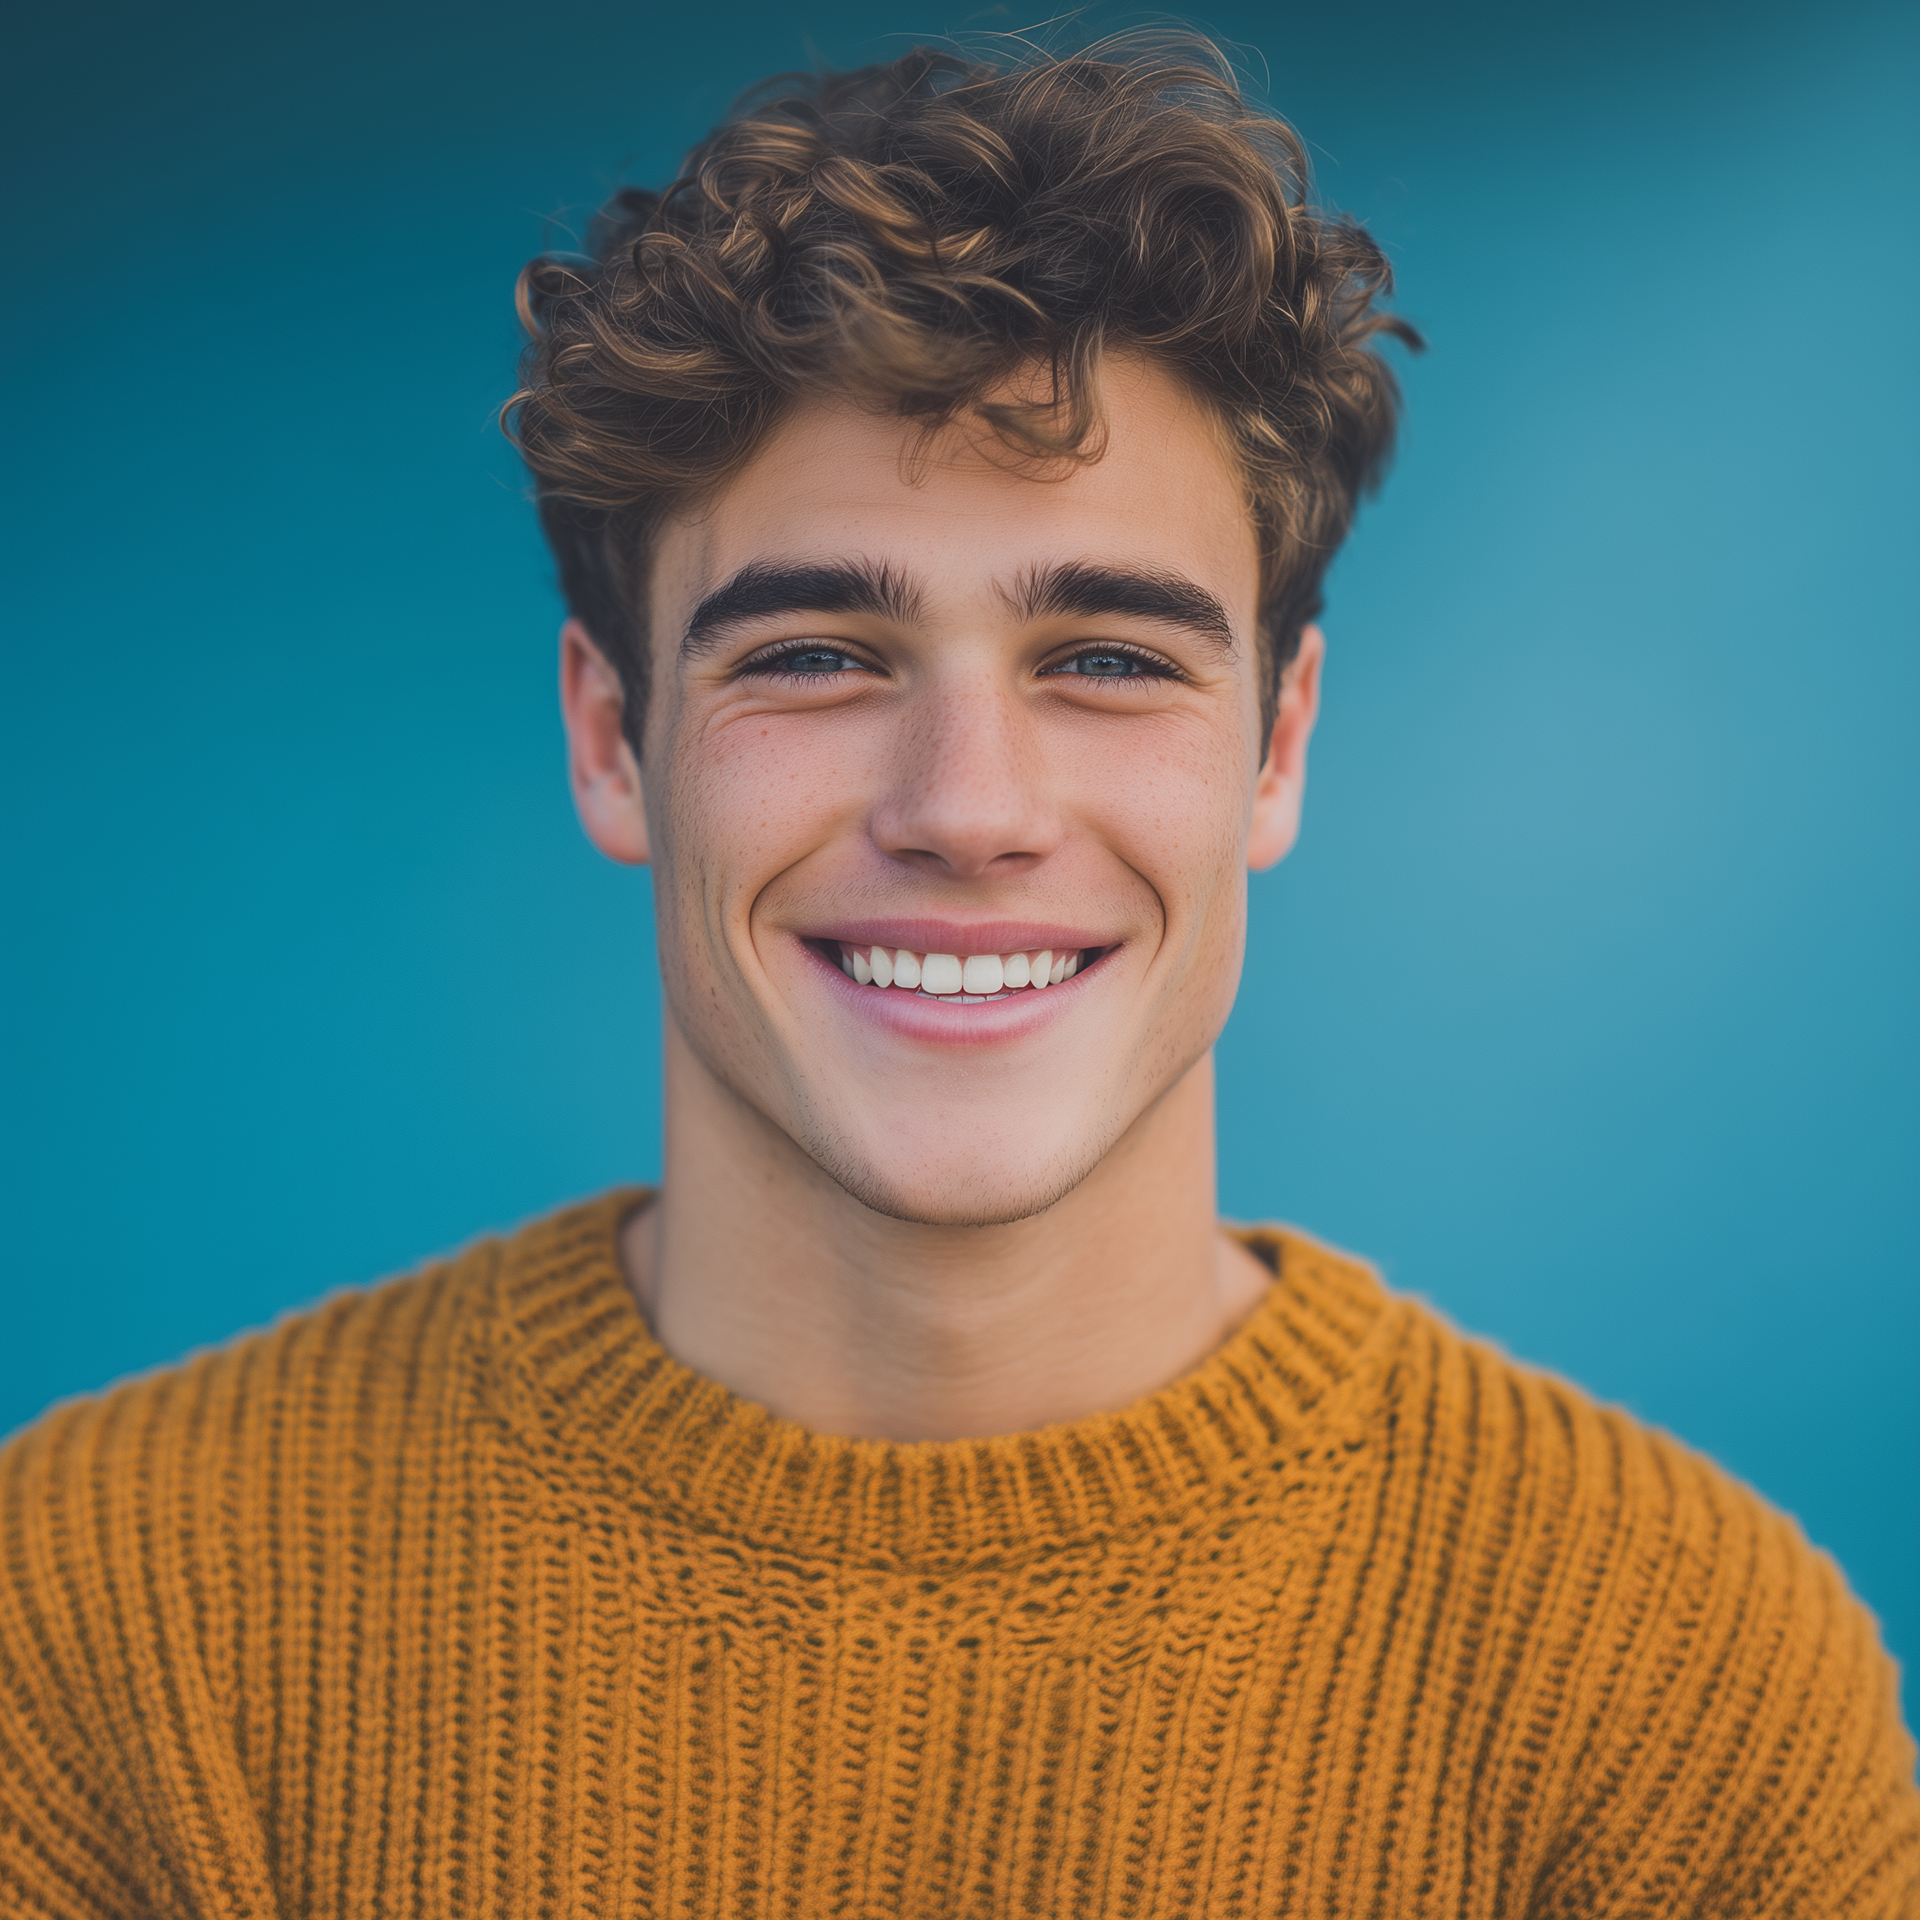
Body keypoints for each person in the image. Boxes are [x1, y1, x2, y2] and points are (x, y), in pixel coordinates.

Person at [2, 35, 1914, 1918]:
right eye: (815, 655)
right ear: (610, 740)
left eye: (1110, 660)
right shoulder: (99, 1616)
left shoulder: (1687, 1691)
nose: (970, 810)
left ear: (1277, 747)